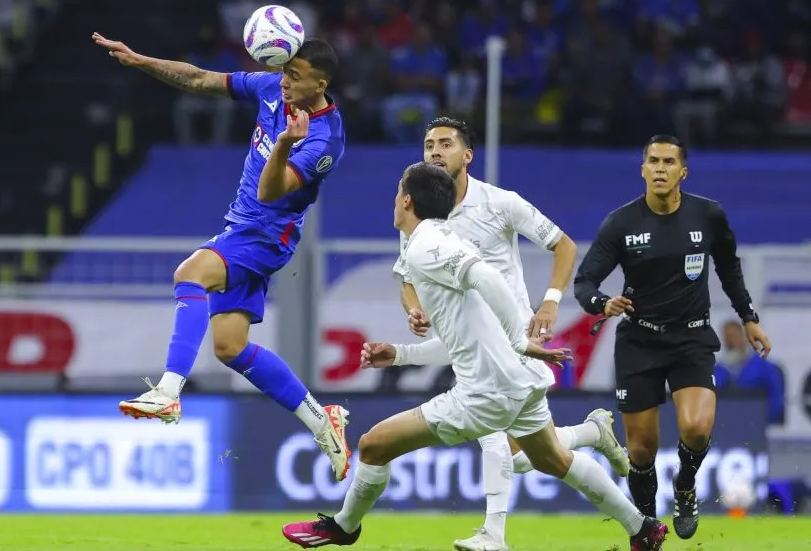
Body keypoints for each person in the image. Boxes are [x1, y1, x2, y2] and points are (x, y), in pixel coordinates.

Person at [282, 162, 669, 551]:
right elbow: (461, 339)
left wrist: (519, 340)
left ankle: (348, 527)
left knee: (373, 445)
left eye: (398, 192)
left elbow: (487, 277)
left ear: (407, 200)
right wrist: (399, 355)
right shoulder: (439, 240)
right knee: (551, 458)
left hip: (487, 391)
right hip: (519, 378)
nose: (395, 200)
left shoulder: (427, 246)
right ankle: (641, 527)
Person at [91, 33, 352, 481]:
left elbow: (270, 192)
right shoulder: (272, 88)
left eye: (295, 76)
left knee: (190, 273)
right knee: (230, 347)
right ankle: (320, 420)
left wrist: (285, 143)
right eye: (284, 72)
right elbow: (199, 79)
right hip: (241, 227)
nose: (285, 82)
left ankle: (168, 391)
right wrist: (141, 60)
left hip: (266, 236)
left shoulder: (325, 140)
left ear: (320, 84)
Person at [387, 117, 630, 551]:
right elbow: (407, 279)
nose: (435, 151)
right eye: (428, 145)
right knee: (527, 457)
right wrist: (415, 309)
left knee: (496, 438)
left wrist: (551, 301)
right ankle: (593, 435)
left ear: (467, 155)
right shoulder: (421, 213)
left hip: (514, 340)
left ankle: (494, 534)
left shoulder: (501, 203)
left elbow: (564, 245)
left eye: (445, 144)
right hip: (469, 343)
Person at [573, 134, 773, 540]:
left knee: (696, 428)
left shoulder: (708, 215)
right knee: (640, 451)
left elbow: (729, 269)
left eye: (668, 162)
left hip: (691, 338)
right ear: (642, 169)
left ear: (683, 172)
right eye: (653, 161)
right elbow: (585, 282)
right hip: (639, 341)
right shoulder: (621, 223)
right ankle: (647, 529)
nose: (660, 169)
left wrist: (748, 318)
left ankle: (685, 485)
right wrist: (602, 303)